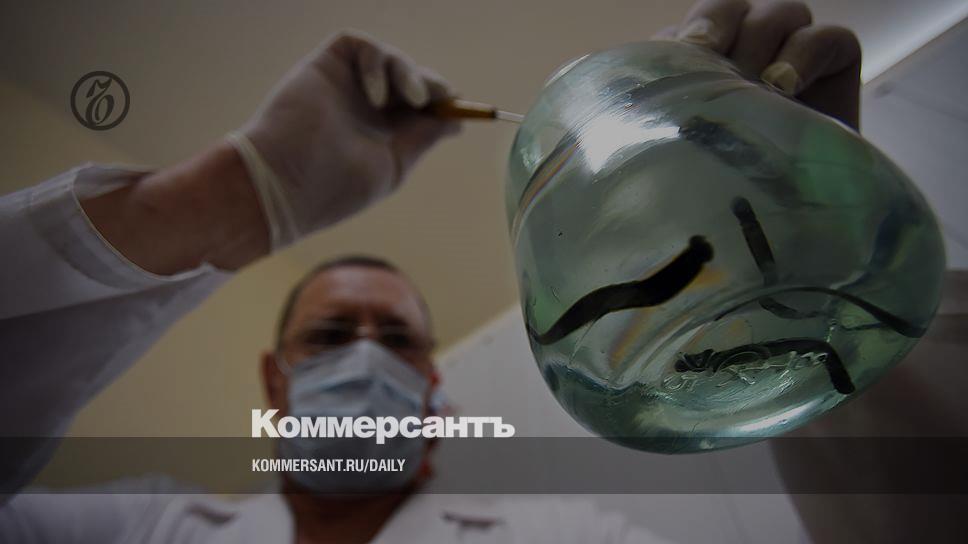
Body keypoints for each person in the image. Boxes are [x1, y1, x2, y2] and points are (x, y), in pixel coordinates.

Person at [2, 0, 961, 541]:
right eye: (330, 337)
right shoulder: (143, 528)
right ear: (273, 381)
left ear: (436, 391)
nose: (366, 360)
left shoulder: (570, 537)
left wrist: (823, 286)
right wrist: (236, 194)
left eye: (398, 340)